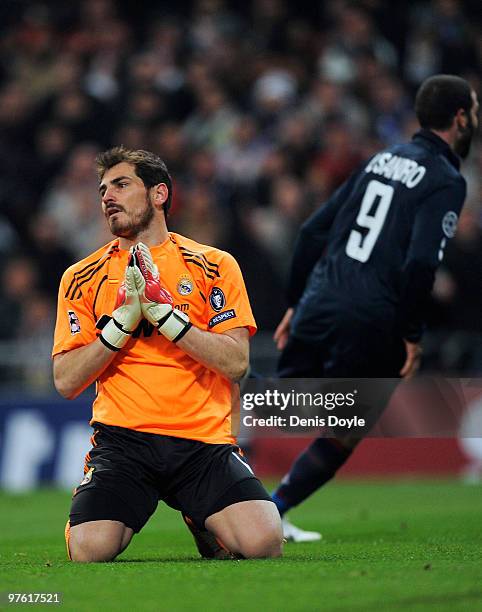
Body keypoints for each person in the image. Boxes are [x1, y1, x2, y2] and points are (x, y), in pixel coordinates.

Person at [270, 74, 479, 542]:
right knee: (344, 427)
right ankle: (271, 509)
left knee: (271, 405)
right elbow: (423, 260)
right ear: (461, 117)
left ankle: (218, 489)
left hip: (321, 299)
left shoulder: (381, 158)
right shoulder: (446, 179)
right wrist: (411, 333)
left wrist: (294, 302)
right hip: (373, 315)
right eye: (476, 109)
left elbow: (311, 231)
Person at [52, 146, 283, 562]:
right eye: (103, 189)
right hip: (123, 442)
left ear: (159, 194)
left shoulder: (214, 265)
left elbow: (237, 362)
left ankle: (201, 518)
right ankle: (190, 514)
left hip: (202, 440)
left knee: (263, 544)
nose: (107, 196)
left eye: (121, 184)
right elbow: (66, 381)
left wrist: (165, 316)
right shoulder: (80, 277)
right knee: (90, 551)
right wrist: (119, 327)